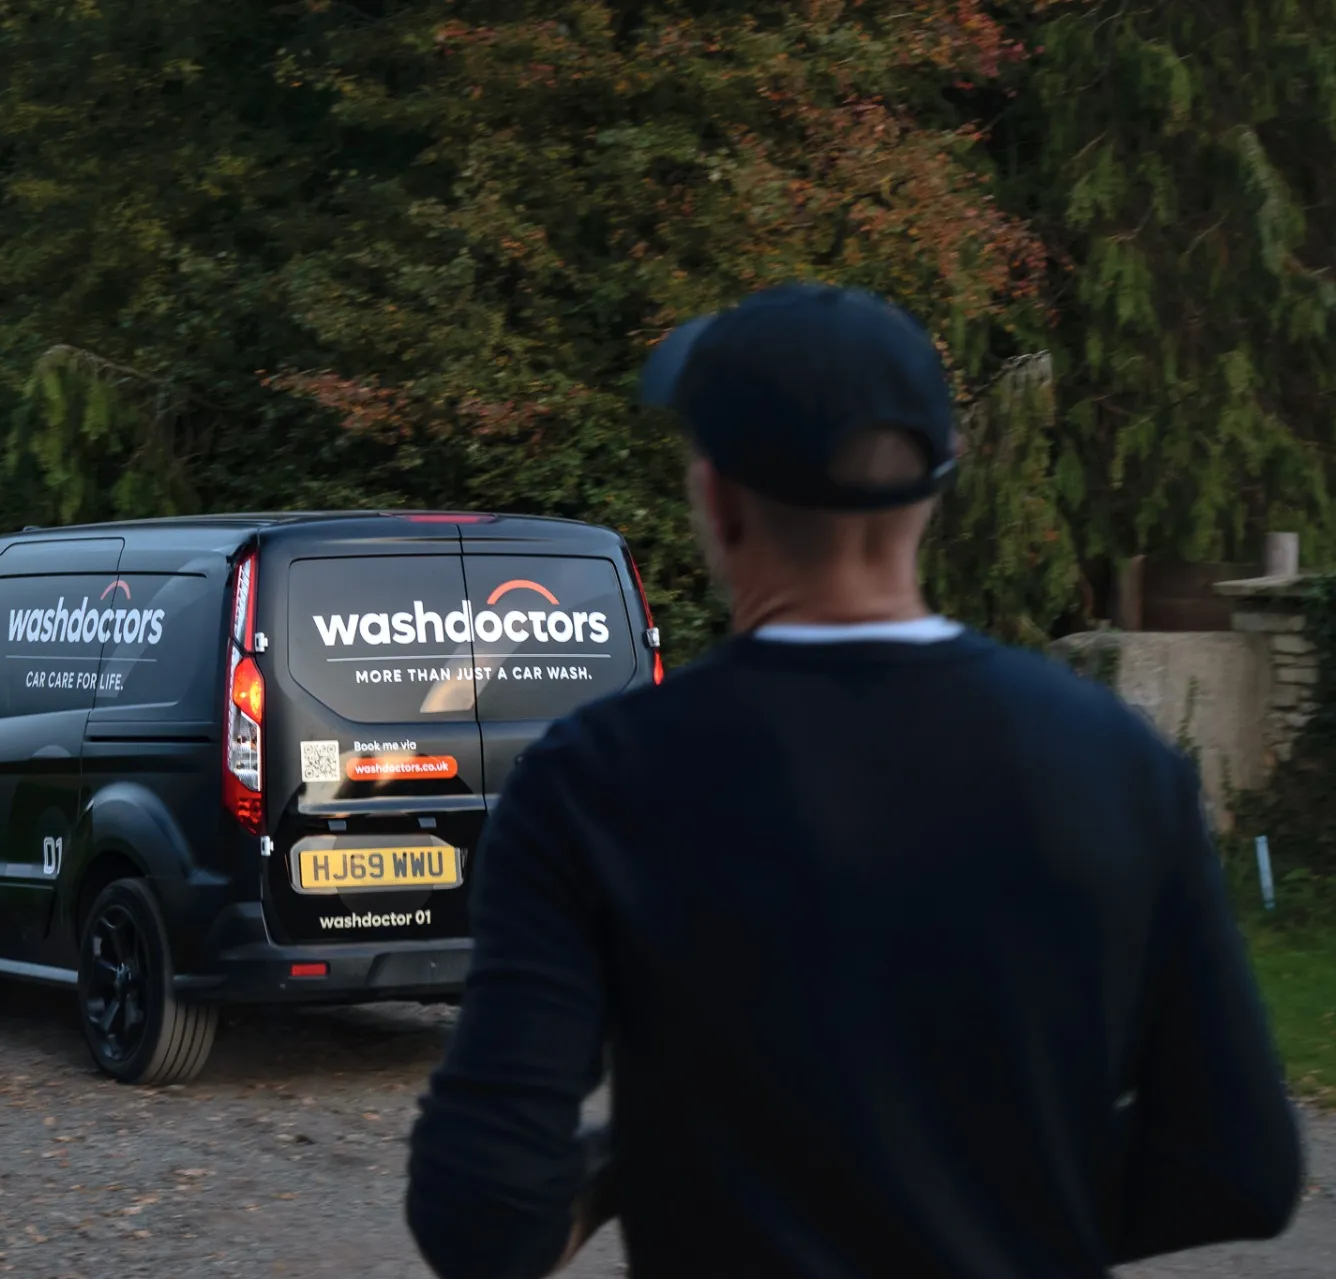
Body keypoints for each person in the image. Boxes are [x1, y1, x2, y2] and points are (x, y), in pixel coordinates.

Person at [404, 282, 1305, 1278]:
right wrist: (1006, 1206)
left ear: (717, 498)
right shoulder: (1125, 766)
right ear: (936, 487)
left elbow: (481, 1216)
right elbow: (1241, 1163)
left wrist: (641, 1161)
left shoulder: (594, 782)